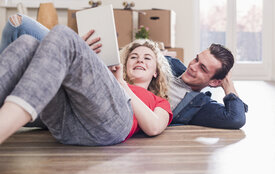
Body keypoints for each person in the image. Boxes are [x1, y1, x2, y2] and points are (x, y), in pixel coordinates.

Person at [0, 14, 247, 131]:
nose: (192, 66)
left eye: (202, 68)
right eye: (196, 59)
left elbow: (235, 118)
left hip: (103, 106)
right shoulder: (172, 65)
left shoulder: (197, 106)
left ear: (214, 81)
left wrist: (228, 85)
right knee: (19, 25)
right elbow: (124, 59)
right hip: (97, 81)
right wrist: (89, 54)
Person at [0, 17, 173, 145]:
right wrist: (75, 53)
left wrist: (122, 85)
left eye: (147, 58)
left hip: (114, 124)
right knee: (27, 43)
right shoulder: (106, 79)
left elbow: (154, 127)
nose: (140, 60)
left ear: (156, 72)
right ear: (125, 64)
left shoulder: (160, 101)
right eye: (133, 57)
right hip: (67, 124)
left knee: (62, 33)